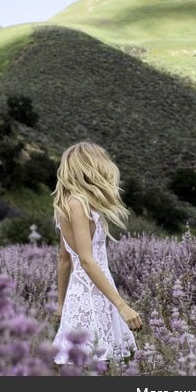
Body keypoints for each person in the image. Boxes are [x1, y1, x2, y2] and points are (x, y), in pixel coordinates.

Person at [51, 141, 141, 365]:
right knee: (95, 361)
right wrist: (122, 306)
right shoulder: (77, 205)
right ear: (91, 166)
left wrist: (61, 303)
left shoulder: (69, 203)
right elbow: (86, 260)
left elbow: (64, 259)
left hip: (91, 291)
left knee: (92, 362)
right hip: (91, 294)